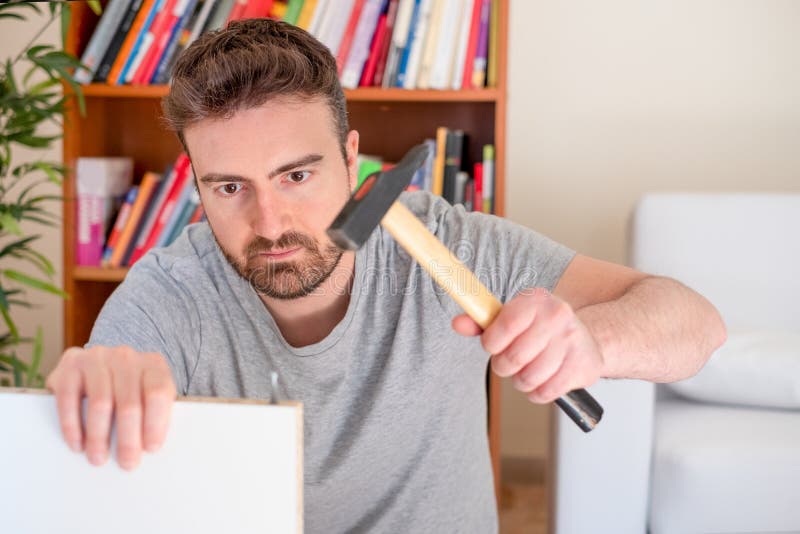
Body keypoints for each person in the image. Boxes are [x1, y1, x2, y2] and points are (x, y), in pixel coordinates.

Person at [46, 18, 726, 533]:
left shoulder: (446, 245)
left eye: (297, 174)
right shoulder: (170, 295)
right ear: (196, 187)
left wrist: (594, 342)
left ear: (352, 159)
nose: (270, 219)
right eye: (230, 188)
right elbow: (105, 400)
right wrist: (101, 394)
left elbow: (697, 325)